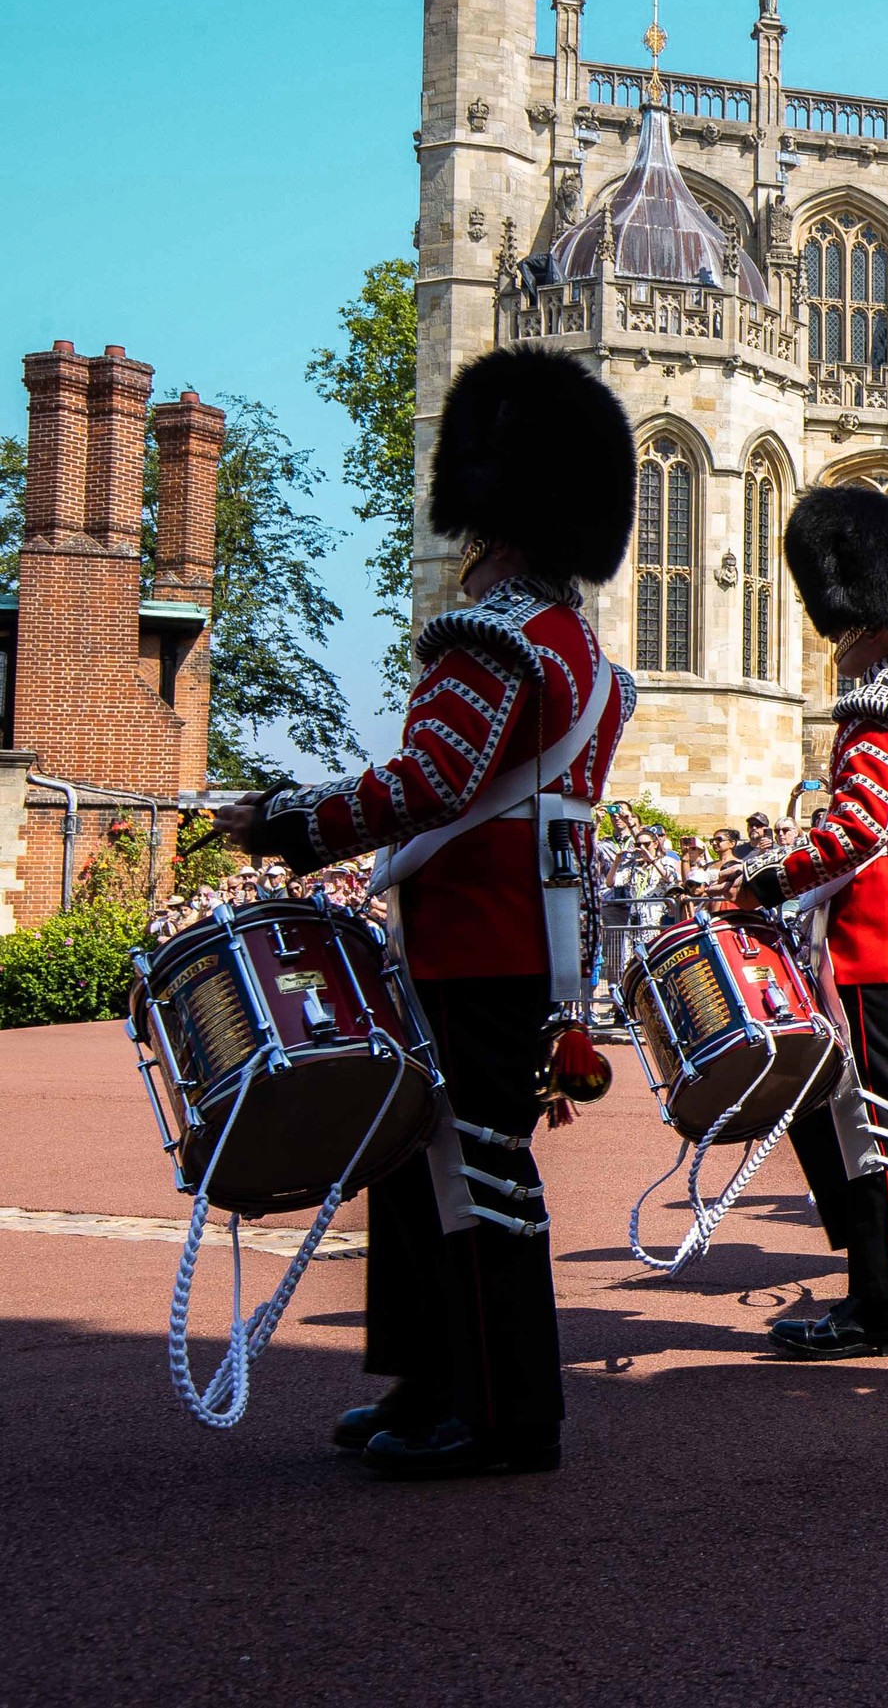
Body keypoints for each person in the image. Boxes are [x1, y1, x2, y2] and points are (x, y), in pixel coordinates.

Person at [220, 346, 636, 1476]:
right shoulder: (586, 655)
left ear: (494, 525)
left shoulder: (493, 638)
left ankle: (503, 1411)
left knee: (472, 1172)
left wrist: (287, 822)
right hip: (528, 940)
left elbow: (430, 785)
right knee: (422, 1162)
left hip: (475, 941)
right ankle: (431, 1382)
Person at [740, 484, 888, 1359]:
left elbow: (855, 830)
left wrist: (764, 879)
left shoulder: (880, 704)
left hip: (875, 938)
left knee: (866, 1127)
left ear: (868, 613)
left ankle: (879, 1308)